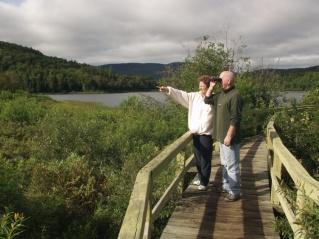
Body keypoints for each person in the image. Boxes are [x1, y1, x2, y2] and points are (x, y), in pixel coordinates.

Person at [157, 75, 214, 191]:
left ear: (209, 87)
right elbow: (181, 94)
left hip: (206, 134)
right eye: (200, 86)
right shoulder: (194, 97)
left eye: (202, 86)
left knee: (205, 159)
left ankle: (204, 181)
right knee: (198, 157)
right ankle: (200, 176)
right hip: (195, 133)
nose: (200, 88)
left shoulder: (214, 99)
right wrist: (168, 89)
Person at [204, 71, 243, 202]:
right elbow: (207, 99)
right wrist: (211, 86)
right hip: (221, 137)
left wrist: (229, 136)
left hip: (229, 138)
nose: (219, 81)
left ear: (228, 81)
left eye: (221, 79)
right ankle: (226, 186)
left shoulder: (235, 95)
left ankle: (235, 191)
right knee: (225, 164)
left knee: (232, 166)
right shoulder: (221, 95)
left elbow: (235, 118)